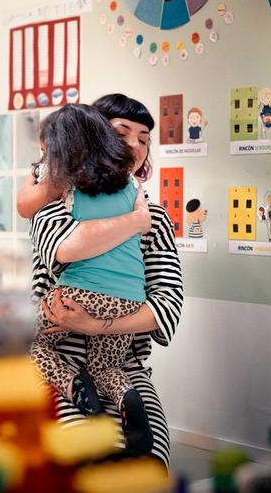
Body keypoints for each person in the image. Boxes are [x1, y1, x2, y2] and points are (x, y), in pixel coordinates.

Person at [24, 93, 183, 468]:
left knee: (148, 464)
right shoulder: (52, 205)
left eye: (144, 138)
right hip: (60, 361)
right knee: (84, 461)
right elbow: (64, 247)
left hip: (125, 365)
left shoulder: (156, 217)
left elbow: (167, 304)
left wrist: (99, 325)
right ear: (93, 136)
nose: (135, 145)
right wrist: (134, 222)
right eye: (122, 132)